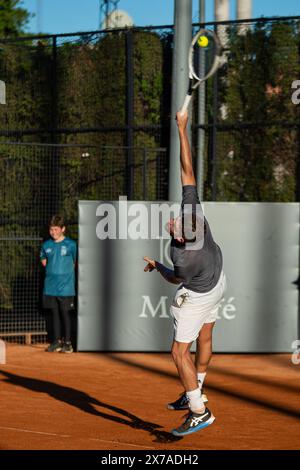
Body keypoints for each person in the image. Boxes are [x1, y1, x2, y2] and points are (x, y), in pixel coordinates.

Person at [143, 111, 226, 437]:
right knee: (205, 337)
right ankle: (197, 386)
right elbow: (187, 170)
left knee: (179, 352)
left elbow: (175, 279)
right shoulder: (194, 214)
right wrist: (181, 127)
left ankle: (198, 410)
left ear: (179, 236)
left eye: (175, 224)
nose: (174, 219)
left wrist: (158, 266)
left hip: (198, 293)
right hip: (219, 280)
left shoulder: (180, 255)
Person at [40, 215, 77, 353]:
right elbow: (43, 260)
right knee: (54, 313)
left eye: (56, 229)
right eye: (51, 229)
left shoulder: (71, 245)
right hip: (50, 286)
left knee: (65, 313)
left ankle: (68, 343)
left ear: (63, 229)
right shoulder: (46, 245)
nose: (53, 232)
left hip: (66, 288)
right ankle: (57, 342)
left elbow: (74, 262)